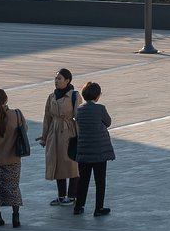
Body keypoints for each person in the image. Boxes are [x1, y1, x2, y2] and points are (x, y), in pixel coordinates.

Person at [0, 88, 27, 228]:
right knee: (13, 187)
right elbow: (24, 129)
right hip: (13, 158)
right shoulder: (16, 115)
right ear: (6, 99)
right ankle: (16, 217)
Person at [71, 81, 114, 216]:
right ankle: (98, 208)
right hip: (99, 151)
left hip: (83, 150)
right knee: (100, 181)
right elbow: (108, 122)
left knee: (83, 180)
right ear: (97, 96)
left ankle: (78, 206)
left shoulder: (79, 110)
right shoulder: (100, 109)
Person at [39, 69, 80, 206]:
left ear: (67, 80)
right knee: (57, 164)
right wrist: (44, 137)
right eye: (55, 78)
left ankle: (73, 195)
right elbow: (47, 117)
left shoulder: (74, 96)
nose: (56, 81)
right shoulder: (51, 96)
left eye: (59, 78)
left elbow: (79, 118)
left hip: (69, 132)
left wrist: (81, 137)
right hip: (54, 133)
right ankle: (61, 196)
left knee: (72, 164)